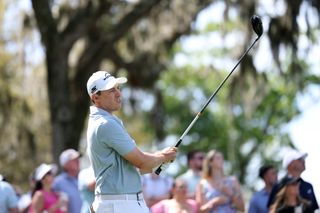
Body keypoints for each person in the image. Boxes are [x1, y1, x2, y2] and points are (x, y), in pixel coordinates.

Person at [86, 71, 177, 213]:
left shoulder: (105, 122)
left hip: (121, 203)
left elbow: (135, 168)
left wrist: (160, 158)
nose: (118, 94)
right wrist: (164, 157)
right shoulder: (105, 124)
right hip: (120, 204)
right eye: (111, 90)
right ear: (95, 97)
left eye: (118, 88)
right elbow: (141, 162)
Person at [53, 149, 82, 213]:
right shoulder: (57, 183)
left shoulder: (84, 178)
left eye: (78, 158)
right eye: (73, 160)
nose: (78, 161)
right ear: (65, 164)